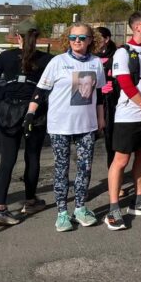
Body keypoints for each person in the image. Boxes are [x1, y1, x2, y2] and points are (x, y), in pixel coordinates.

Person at [25, 23, 105, 231]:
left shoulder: (96, 62)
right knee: (61, 168)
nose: (77, 41)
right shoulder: (57, 62)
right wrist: (30, 113)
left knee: (85, 168)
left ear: (90, 40)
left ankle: (80, 208)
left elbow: (99, 95)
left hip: (86, 125)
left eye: (81, 37)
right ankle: (62, 213)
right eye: (72, 37)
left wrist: (101, 119)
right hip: (60, 125)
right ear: (67, 40)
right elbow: (40, 90)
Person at [105, 12, 141, 231]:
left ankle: (139, 201)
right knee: (121, 160)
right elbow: (126, 84)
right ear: (137, 27)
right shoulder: (122, 52)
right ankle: (113, 208)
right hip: (129, 115)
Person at [0, 27, 52, 226]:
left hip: (9, 110)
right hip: (35, 111)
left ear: (18, 38)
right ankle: (31, 200)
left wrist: (8, 89)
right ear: (37, 38)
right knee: (32, 157)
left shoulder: (5, 57)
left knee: (7, 160)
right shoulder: (47, 59)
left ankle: (0, 208)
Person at [94, 27, 119, 166]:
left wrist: (113, 85)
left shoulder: (116, 55)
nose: (95, 41)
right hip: (92, 100)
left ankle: (113, 173)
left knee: (110, 139)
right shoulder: (89, 56)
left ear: (107, 39)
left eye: (99, 38)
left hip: (110, 101)